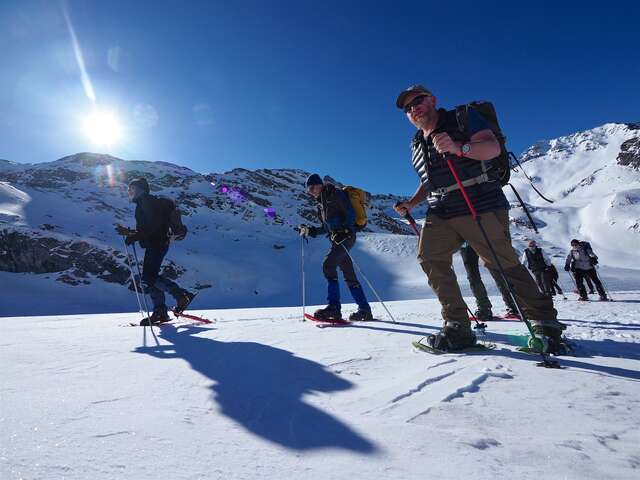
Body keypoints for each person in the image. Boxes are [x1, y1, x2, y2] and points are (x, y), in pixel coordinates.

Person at [393, 84, 564, 353]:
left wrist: (459, 147)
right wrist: (411, 204)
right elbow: (429, 181)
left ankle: (544, 322)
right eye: (408, 107)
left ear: (433, 99)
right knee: (430, 258)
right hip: (440, 208)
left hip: (478, 199)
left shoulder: (462, 117)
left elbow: (491, 147)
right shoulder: (417, 142)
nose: (414, 108)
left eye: (418, 100)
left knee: (500, 262)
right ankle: (457, 325)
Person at [116, 178, 195, 325]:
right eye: (129, 190)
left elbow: (153, 226)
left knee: (148, 277)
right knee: (149, 278)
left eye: (132, 189)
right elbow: (149, 227)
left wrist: (135, 236)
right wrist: (131, 233)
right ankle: (161, 311)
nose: (130, 192)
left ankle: (181, 296)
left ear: (141, 190)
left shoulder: (147, 201)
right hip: (157, 243)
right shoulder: (144, 203)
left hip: (157, 243)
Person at [298, 174, 373, 321]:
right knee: (348, 274)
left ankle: (334, 308)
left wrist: (344, 231)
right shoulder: (321, 204)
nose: (310, 191)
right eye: (308, 189)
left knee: (328, 265)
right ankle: (365, 310)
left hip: (346, 237)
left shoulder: (335, 194)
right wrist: (310, 230)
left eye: (312, 187)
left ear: (320, 185)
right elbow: (326, 227)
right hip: (337, 239)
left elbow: (350, 214)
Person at [459, 241, 520, 320]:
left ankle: (487, 308)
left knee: (491, 272)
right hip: (470, 243)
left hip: (476, 242)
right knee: (480, 274)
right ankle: (509, 307)